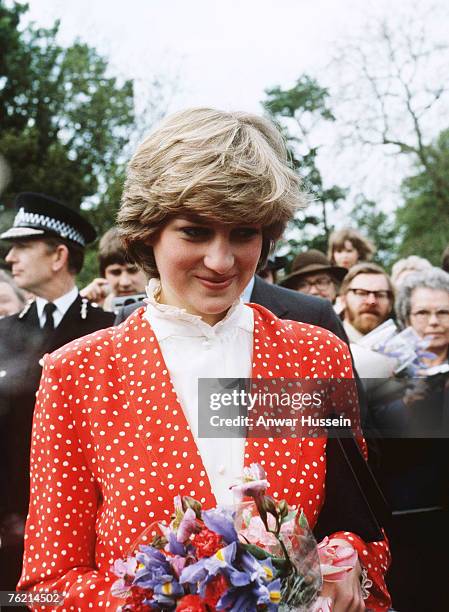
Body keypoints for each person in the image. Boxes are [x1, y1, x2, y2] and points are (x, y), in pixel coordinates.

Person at [18, 109, 390, 610]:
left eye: (243, 233)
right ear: (148, 233)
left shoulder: (312, 354)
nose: (221, 261)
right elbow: (48, 584)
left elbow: (363, 526)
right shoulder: (79, 373)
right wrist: (154, 601)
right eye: (194, 232)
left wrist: (348, 561)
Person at [0, 193, 115, 591]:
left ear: (58, 255)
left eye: (22, 246)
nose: (11, 258)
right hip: (11, 528)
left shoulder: (108, 329)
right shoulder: (3, 333)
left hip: (88, 534)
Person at [369, 268, 449, 610]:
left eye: (443, 311)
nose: (434, 321)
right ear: (405, 317)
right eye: (423, 312)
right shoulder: (382, 371)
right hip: (403, 523)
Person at [81, 227, 148, 310]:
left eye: (132, 271)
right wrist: (81, 304)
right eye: (115, 272)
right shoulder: (93, 308)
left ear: (149, 270)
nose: (124, 282)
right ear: (104, 275)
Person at [339, 263, 394, 342]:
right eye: (361, 293)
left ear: (390, 303)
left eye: (380, 294)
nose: (371, 301)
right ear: (343, 299)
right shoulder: (328, 344)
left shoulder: (405, 350)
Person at [280, 249, 347, 303]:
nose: (313, 291)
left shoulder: (353, 317)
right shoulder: (282, 319)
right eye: (303, 285)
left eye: (321, 282)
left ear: (335, 286)